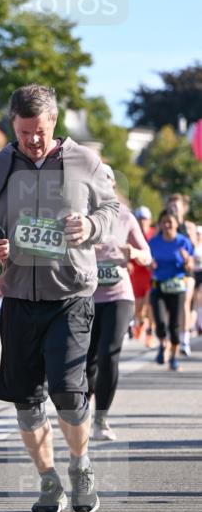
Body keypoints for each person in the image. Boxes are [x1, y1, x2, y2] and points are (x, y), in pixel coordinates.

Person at [0, 84, 119, 512]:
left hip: (70, 294)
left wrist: (90, 225)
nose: (32, 140)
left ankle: (80, 466)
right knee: (26, 399)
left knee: (69, 392)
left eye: (39, 131)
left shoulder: (85, 161)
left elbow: (112, 212)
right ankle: (48, 480)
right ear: (12, 125)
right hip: (17, 295)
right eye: (23, 132)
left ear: (53, 122)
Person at [86, 167, 151, 441]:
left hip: (118, 295)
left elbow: (147, 256)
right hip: (87, 295)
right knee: (87, 358)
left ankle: (101, 419)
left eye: (108, 182)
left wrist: (133, 252)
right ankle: (80, 414)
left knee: (109, 352)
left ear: (113, 186)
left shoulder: (126, 217)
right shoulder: (82, 217)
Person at [148, 208, 194, 371]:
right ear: (160, 224)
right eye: (164, 222)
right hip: (158, 286)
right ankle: (162, 345)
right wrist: (150, 264)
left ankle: (173, 357)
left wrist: (187, 259)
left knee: (174, 324)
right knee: (160, 322)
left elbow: (190, 266)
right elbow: (147, 262)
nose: (167, 225)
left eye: (170, 222)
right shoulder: (153, 242)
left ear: (176, 224)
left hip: (177, 287)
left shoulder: (183, 242)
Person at [165, 193, 197, 356]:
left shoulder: (188, 226)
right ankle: (171, 337)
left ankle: (184, 340)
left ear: (183, 209)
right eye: (171, 206)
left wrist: (187, 251)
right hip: (167, 272)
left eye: (176, 206)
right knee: (170, 307)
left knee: (184, 300)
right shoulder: (164, 225)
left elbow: (194, 250)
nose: (173, 209)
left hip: (185, 271)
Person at [129, 206, 156, 346]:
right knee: (139, 307)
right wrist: (128, 263)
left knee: (150, 304)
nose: (142, 222)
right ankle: (139, 323)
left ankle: (150, 333)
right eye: (139, 219)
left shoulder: (154, 234)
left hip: (151, 275)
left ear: (150, 220)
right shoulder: (132, 234)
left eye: (144, 219)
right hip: (137, 275)